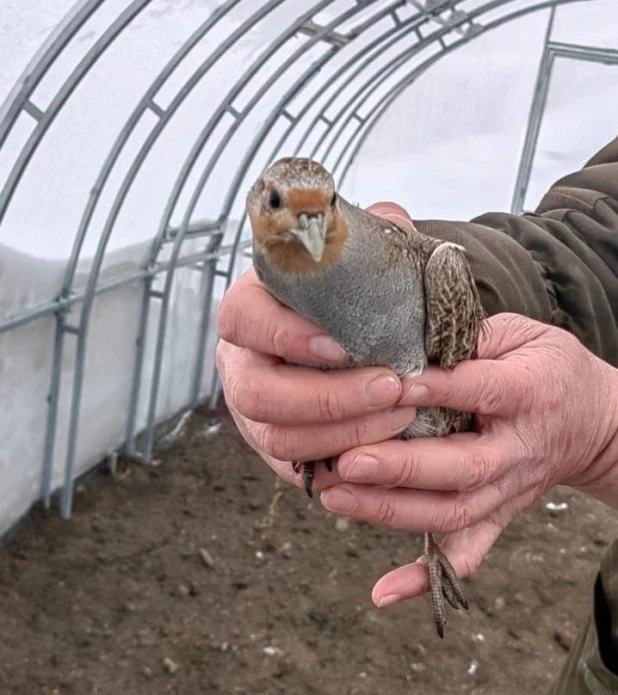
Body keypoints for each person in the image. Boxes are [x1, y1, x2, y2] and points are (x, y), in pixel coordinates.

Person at [216, 137, 618, 692]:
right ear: (256, 206)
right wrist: (458, 273)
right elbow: (600, 232)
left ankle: (432, 536)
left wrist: (607, 436)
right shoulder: (284, 264)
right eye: (283, 208)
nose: (309, 230)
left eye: (322, 212)